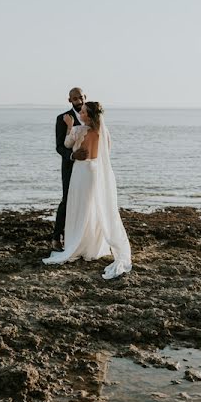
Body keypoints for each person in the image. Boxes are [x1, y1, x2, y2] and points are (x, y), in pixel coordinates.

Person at [44, 101, 132, 280]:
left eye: (83, 112)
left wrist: (69, 126)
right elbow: (106, 151)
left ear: (88, 116)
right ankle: (93, 246)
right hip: (95, 171)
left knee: (78, 207)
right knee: (93, 207)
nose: (80, 113)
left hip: (81, 172)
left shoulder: (78, 130)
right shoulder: (104, 132)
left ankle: (76, 244)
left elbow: (67, 144)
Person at [52, 87, 88, 251]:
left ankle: (80, 238)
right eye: (75, 99)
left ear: (84, 97)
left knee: (86, 201)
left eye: (80, 97)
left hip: (88, 168)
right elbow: (59, 147)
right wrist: (73, 156)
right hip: (70, 167)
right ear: (69, 100)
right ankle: (56, 238)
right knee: (67, 201)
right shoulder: (63, 118)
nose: (78, 101)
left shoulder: (92, 117)